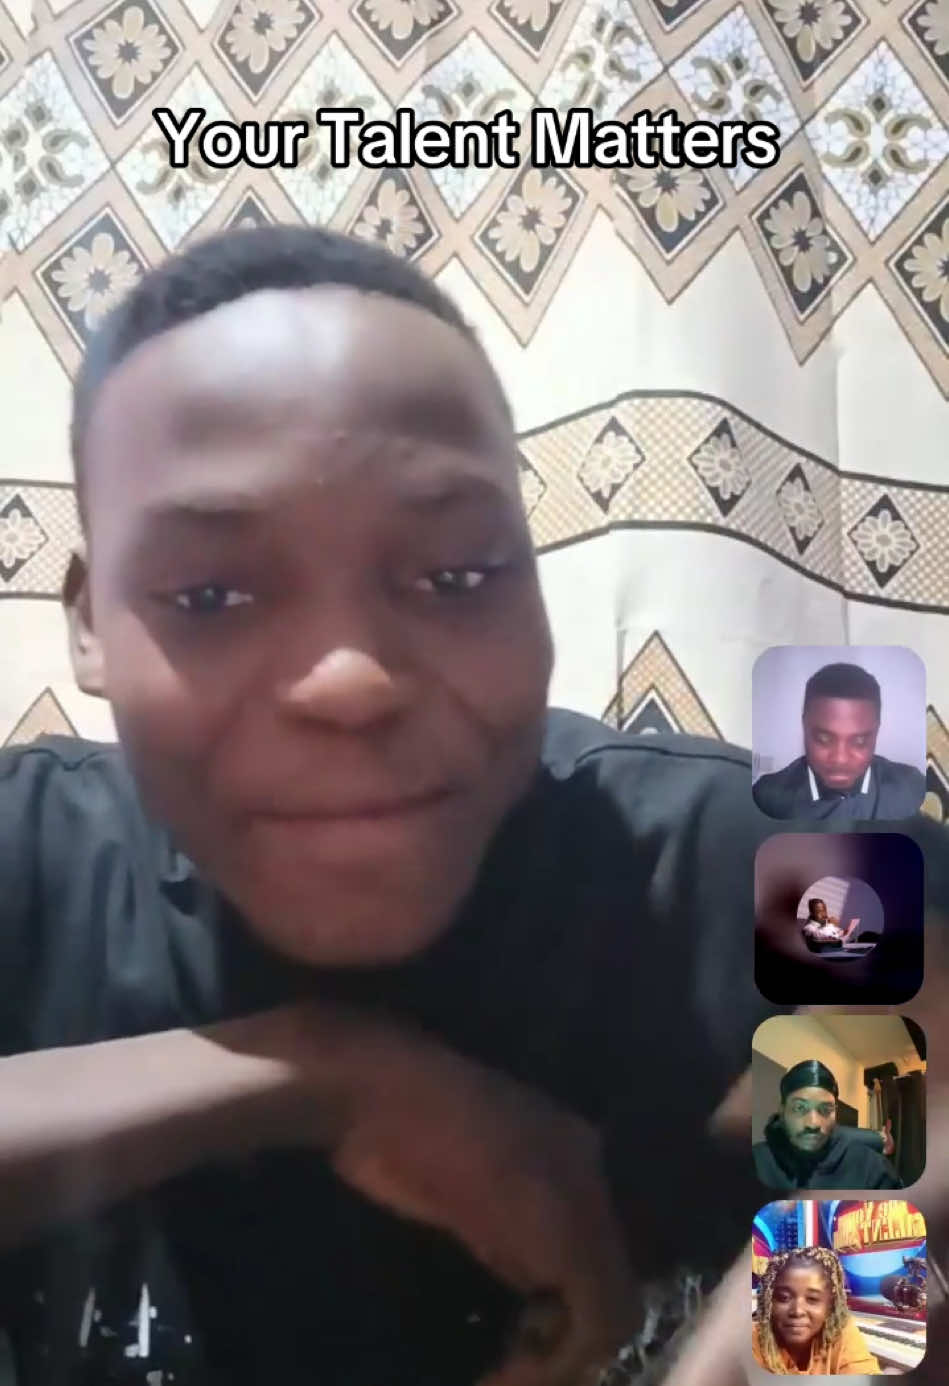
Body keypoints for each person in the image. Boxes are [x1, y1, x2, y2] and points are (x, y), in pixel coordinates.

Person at [0, 225, 942, 1386]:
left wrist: (796, 1339)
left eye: (455, 575)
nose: (351, 681)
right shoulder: (29, 866)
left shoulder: (758, 868)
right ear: (89, 624)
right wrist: (313, 1075)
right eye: (209, 594)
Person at [753, 662, 926, 822]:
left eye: (859, 741)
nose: (840, 759)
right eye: (824, 739)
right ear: (804, 725)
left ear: (876, 732)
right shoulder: (768, 799)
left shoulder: (911, 789)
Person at [753, 1060, 902, 1192]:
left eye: (825, 1109)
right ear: (782, 1110)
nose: (813, 1123)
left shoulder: (871, 1167)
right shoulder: (754, 1162)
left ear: (835, 1112)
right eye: (799, 1107)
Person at [752, 1246, 881, 1374]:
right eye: (784, 1298)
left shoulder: (840, 1332)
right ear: (769, 1302)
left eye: (812, 1299)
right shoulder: (751, 1341)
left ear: (830, 1305)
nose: (797, 1311)